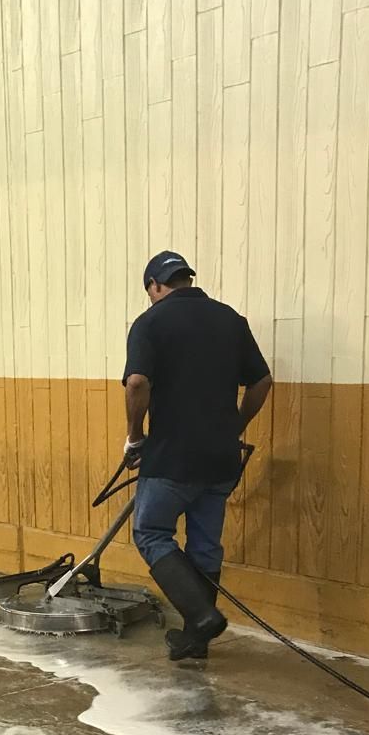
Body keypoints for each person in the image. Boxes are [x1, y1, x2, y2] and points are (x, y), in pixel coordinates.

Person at [121, 250, 272, 661]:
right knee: (204, 546)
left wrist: (135, 438)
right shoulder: (230, 320)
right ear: (187, 279)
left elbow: (136, 383)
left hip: (172, 457)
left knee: (151, 533)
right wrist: (235, 427)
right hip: (221, 458)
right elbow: (262, 382)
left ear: (155, 286)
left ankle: (202, 617)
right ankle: (196, 641)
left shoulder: (150, 322)